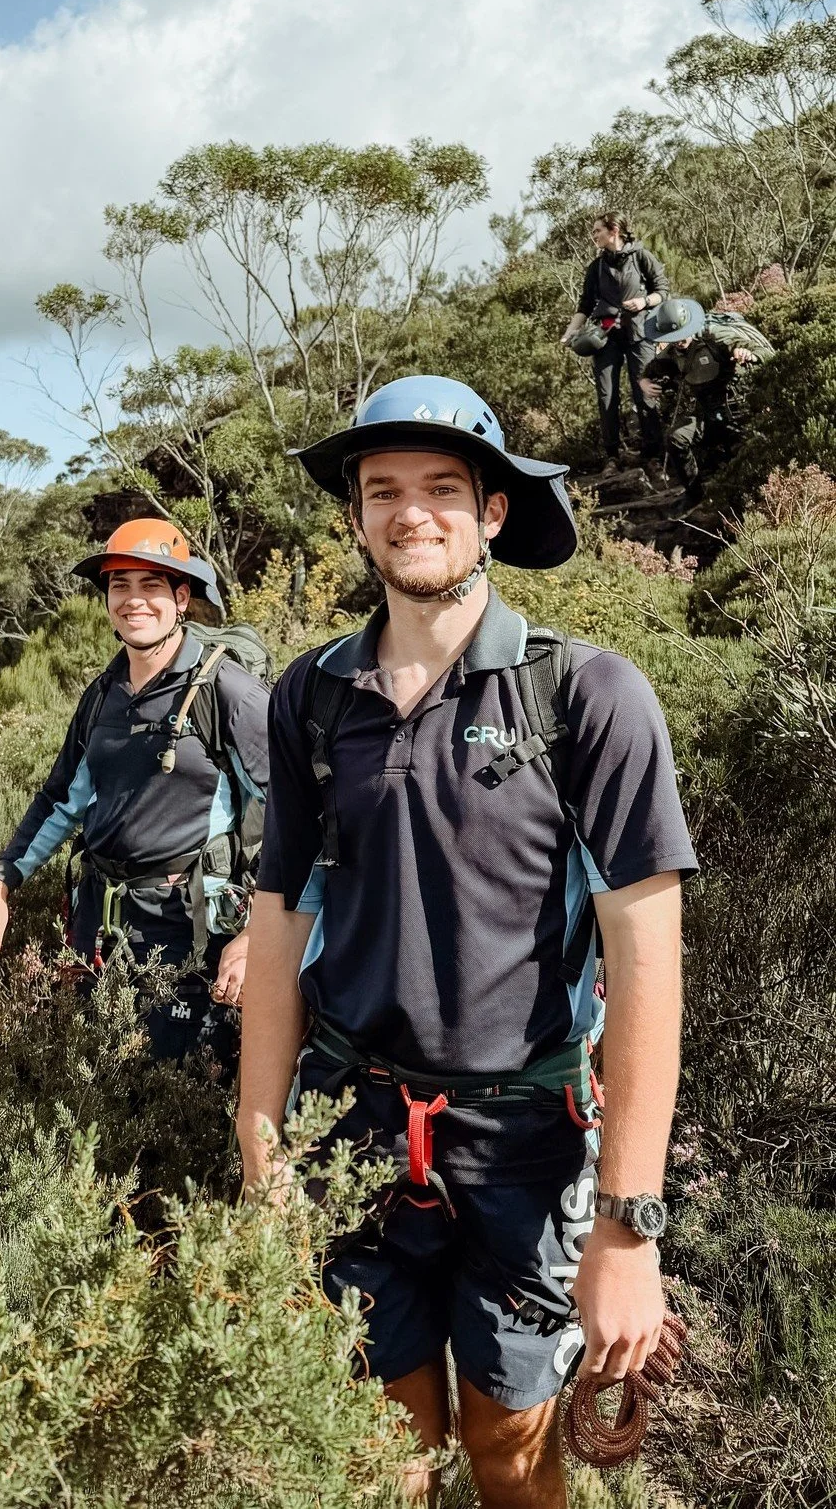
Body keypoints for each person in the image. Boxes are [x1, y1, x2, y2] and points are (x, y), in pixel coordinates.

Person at [238, 375, 696, 1507]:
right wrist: (261, 1149)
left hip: (527, 1145)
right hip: (357, 1127)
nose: (412, 513)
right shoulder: (310, 698)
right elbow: (278, 916)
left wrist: (628, 1229)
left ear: (492, 511)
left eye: (443, 488)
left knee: (510, 1451)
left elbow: (648, 961)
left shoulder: (586, 696)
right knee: (378, 1448)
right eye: (382, 490)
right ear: (354, 516)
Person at [0, 518, 270, 1066]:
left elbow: (294, 815)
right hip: (99, 924)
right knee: (95, 1075)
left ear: (182, 599)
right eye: (119, 586)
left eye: (151, 586)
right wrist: (0, 884)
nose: (134, 601)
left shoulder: (229, 693)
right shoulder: (103, 694)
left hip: (189, 928)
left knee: (184, 1087)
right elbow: (60, 799)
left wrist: (258, 934)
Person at [560, 212, 669, 470]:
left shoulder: (641, 256)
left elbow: (662, 290)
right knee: (606, 395)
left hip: (640, 333)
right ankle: (612, 456)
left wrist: (644, 301)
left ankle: (652, 454)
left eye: (597, 230)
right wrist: (569, 333)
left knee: (644, 392)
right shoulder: (596, 267)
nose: (594, 235)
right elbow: (585, 306)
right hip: (605, 336)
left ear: (614, 231)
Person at [642, 297, 774, 509]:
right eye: (672, 338)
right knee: (676, 438)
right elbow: (653, 369)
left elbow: (763, 352)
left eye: (681, 335)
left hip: (738, 406)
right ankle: (695, 495)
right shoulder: (673, 351)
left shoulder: (715, 337)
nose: (678, 341)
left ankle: (756, 497)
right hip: (704, 411)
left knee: (747, 449)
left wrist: (747, 354)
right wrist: (644, 382)